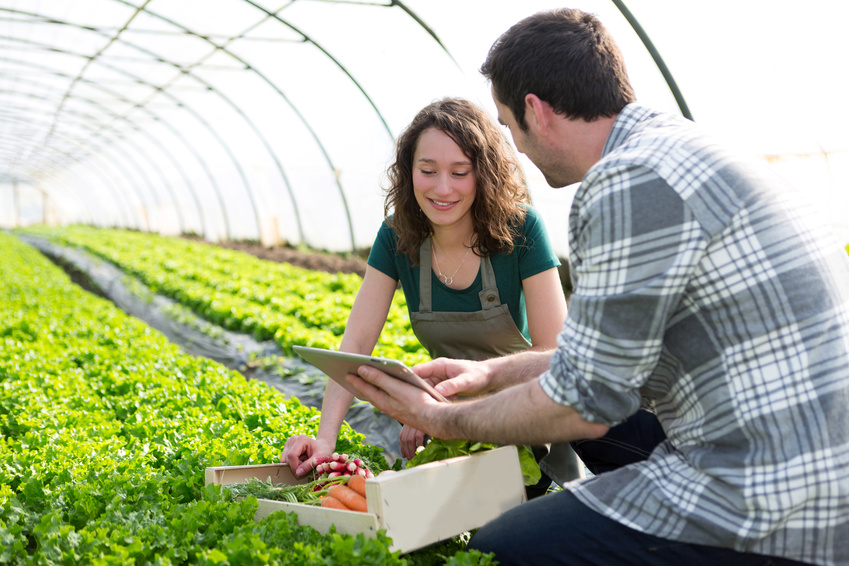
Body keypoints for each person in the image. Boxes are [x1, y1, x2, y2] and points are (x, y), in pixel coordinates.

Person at [345, 8, 849, 566]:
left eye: (510, 128)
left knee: (500, 550)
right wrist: (489, 373)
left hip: (779, 498)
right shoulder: (676, 147)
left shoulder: (627, 182)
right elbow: (597, 364)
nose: (516, 149)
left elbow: (585, 403)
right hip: (812, 458)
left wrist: (439, 418)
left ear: (535, 111)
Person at [281, 97, 569, 483]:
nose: (443, 189)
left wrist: (439, 410)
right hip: (446, 416)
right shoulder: (398, 234)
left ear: (484, 173)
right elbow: (355, 346)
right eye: (428, 170)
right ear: (409, 171)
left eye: (460, 172)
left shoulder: (523, 230)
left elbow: (555, 358)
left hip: (527, 418)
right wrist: (324, 439)